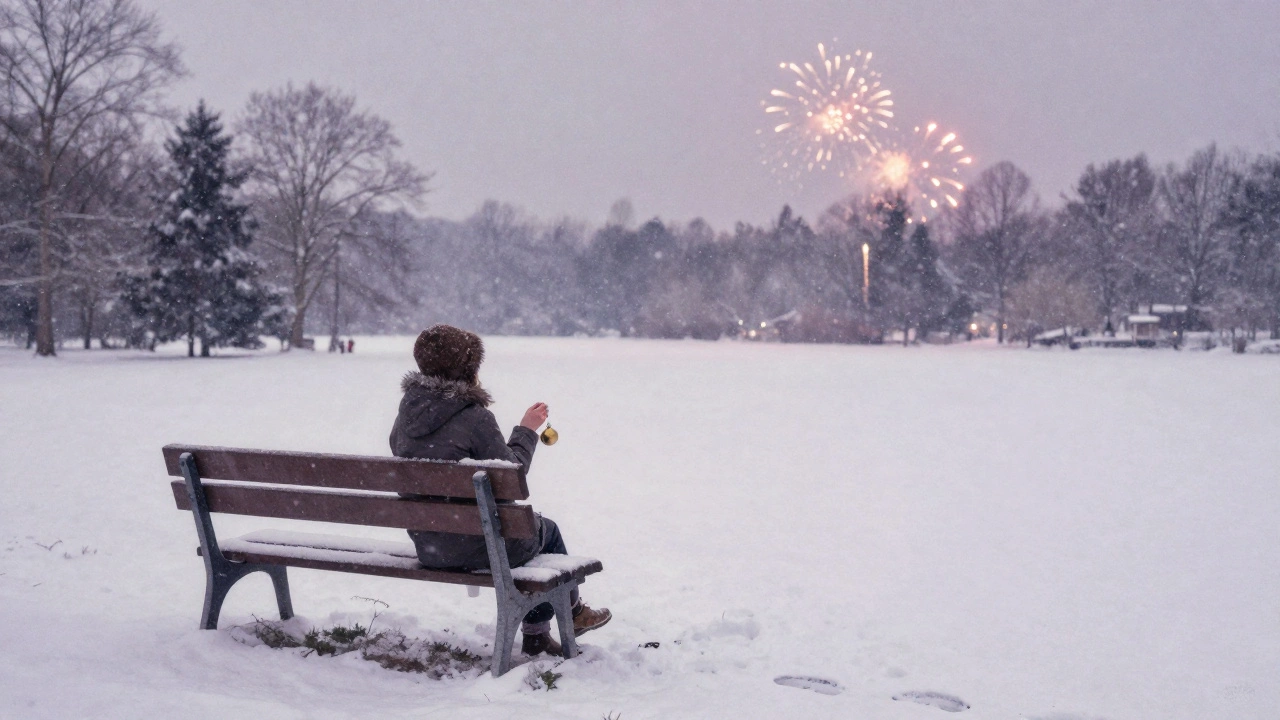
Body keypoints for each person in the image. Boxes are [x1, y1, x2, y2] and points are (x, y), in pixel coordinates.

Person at [389, 324, 610, 657]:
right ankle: (558, 622)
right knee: (545, 532)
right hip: (477, 547)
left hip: (430, 545)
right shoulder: (474, 417)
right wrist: (526, 430)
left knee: (526, 529)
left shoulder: (405, 417)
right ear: (468, 368)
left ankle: (563, 618)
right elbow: (511, 477)